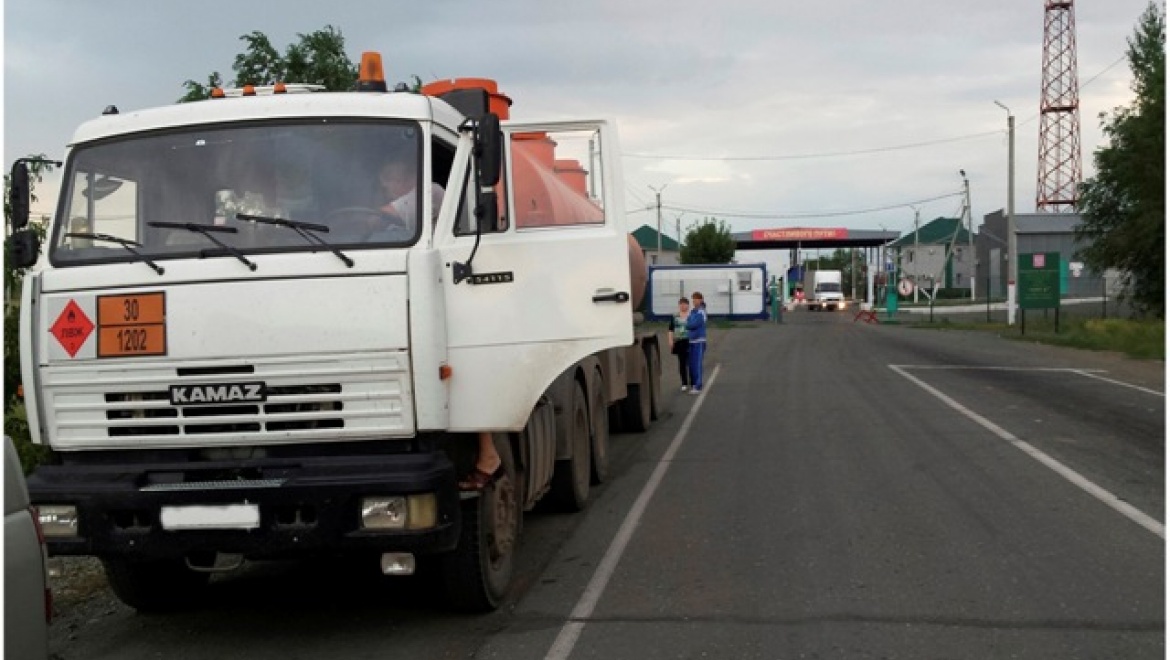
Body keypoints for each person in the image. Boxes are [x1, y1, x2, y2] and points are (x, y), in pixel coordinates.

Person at [667, 297, 691, 392]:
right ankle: (684, 383)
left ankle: (693, 381)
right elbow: (670, 329)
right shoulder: (675, 316)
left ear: (688, 305)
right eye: (681, 304)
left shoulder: (691, 315)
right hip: (679, 341)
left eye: (685, 304)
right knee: (682, 363)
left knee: (691, 362)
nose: (683, 306)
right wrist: (670, 340)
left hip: (689, 341)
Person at [685, 291, 708, 394]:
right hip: (692, 341)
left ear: (701, 300)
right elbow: (688, 322)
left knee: (697, 364)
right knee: (692, 364)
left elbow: (693, 324)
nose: (694, 301)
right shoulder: (693, 311)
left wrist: (689, 324)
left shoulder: (701, 312)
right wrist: (688, 323)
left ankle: (698, 386)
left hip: (699, 341)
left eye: (696, 299)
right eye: (693, 299)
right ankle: (694, 384)